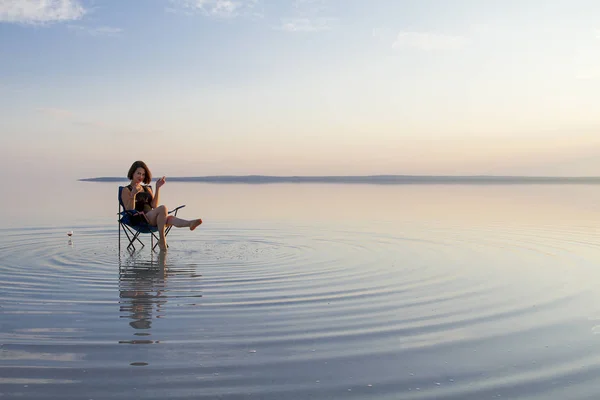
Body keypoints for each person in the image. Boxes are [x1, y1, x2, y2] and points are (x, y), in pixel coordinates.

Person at [121, 160, 202, 251]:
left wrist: (157, 188)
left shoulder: (146, 188)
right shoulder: (126, 190)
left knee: (169, 219)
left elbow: (154, 205)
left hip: (152, 216)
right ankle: (162, 240)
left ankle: (190, 223)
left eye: (143, 174)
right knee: (163, 208)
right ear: (132, 173)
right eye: (138, 173)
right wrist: (133, 195)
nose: (141, 176)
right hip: (139, 219)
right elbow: (129, 210)